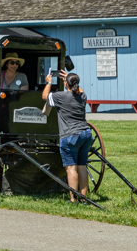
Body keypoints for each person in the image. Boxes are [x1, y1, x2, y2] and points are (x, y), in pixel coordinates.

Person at [43, 70, 92, 203]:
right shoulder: (83, 96)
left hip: (70, 136)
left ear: (66, 84)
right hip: (86, 133)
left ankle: (73, 198)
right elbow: (80, 90)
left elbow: (45, 96)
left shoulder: (61, 96)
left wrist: (49, 82)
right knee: (82, 167)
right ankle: (84, 197)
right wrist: (70, 78)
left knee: (71, 168)